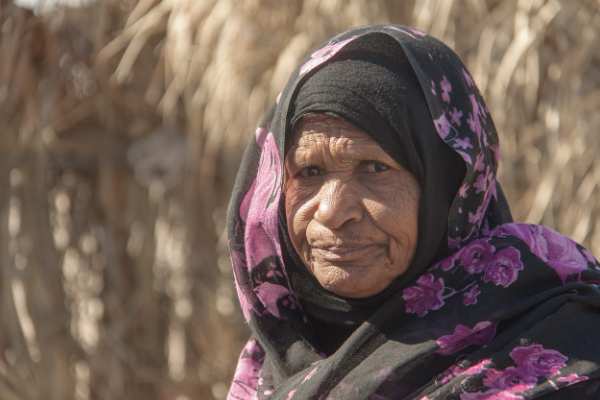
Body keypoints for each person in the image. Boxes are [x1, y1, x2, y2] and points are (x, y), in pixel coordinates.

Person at [225, 25, 600, 400]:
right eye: (309, 171)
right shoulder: (271, 360)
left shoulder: (567, 346)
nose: (332, 211)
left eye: (374, 168)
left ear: (449, 187)